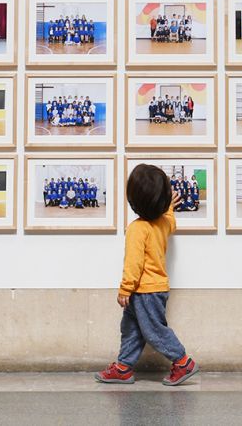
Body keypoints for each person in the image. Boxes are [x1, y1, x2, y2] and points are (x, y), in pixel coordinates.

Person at [95, 164, 199, 387]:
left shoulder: (137, 229)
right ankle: (123, 367)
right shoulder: (163, 223)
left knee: (154, 331)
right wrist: (169, 206)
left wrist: (125, 289)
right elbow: (171, 221)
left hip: (144, 291)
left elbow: (133, 263)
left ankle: (183, 362)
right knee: (131, 329)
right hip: (152, 290)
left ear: (133, 200)